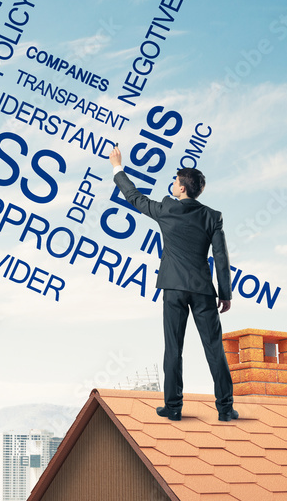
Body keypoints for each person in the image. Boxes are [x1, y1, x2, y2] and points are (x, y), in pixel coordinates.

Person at [109, 144, 237, 422]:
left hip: (174, 289)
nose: (172, 185)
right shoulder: (212, 217)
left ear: (181, 189)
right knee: (214, 348)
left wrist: (117, 167)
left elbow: (133, 197)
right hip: (203, 290)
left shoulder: (167, 209)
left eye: (175, 182)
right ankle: (225, 409)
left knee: (173, 348)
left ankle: (174, 407)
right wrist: (225, 293)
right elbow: (221, 257)